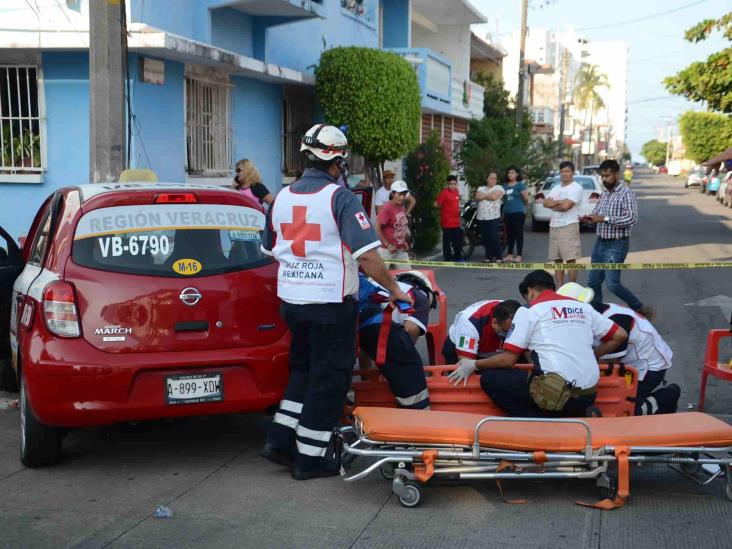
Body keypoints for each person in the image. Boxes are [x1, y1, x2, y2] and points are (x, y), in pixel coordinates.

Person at [260, 123, 412, 480]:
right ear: (337, 161)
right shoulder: (340, 198)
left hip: (292, 303)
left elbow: (269, 250)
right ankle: (309, 458)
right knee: (329, 378)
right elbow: (368, 258)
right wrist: (395, 289)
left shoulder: (280, 198)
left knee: (303, 370)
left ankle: (280, 440)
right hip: (330, 304)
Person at [448, 270, 628, 418]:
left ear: (531, 291)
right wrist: (593, 355)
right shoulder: (583, 308)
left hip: (556, 395)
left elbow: (508, 360)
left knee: (492, 378)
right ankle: (581, 411)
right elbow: (620, 335)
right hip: (589, 395)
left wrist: (474, 364)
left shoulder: (529, 312)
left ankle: (536, 420)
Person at [557, 283, 680, 415]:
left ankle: (666, 396)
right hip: (627, 365)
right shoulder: (594, 314)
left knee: (623, 411)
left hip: (648, 368)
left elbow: (610, 361)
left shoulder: (616, 319)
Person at [581, 159, 655, 321]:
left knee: (613, 284)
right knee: (593, 283)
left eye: (607, 176)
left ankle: (641, 309)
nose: (604, 179)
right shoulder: (605, 194)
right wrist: (589, 219)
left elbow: (631, 218)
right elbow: (598, 214)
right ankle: (597, 317)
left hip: (617, 244)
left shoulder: (626, 193)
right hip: (600, 243)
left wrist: (605, 218)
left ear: (616, 174)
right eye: (602, 176)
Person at [357, 272, 431, 410]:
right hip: (371, 313)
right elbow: (409, 333)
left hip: (345, 307)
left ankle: (367, 385)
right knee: (403, 360)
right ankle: (417, 413)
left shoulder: (376, 283)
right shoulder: (419, 299)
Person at [442, 298, 520, 364]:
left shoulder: (525, 318)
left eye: (514, 331)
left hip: (498, 353)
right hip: (461, 349)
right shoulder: (469, 324)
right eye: (506, 331)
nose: (510, 336)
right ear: (494, 323)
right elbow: (465, 363)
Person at [542, 161, 583, 286]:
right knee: (557, 260)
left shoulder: (577, 187)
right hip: (554, 226)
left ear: (572, 172)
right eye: (562, 172)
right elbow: (545, 203)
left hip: (569, 225)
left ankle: (572, 289)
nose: (564, 174)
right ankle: (559, 289)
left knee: (570, 259)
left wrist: (554, 204)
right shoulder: (556, 188)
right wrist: (559, 203)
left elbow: (566, 206)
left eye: (567, 171)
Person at [376, 180, 411, 268]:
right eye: (399, 194)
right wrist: (388, 245)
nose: (402, 197)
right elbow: (377, 227)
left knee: (407, 275)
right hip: (386, 251)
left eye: (404, 194)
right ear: (392, 194)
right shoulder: (387, 208)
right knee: (380, 278)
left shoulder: (402, 207)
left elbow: (400, 226)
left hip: (400, 249)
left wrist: (404, 241)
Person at [475, 171, 505, 263]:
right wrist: (488, 195)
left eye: (495, 178)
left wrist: (484, 196)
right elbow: (477, 197)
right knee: (485, 237)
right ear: (487, 179)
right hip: (482, 217)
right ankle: (488, 257)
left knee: (493, 236)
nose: (493, 180)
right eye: (491, 178)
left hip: (493, 217)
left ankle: (499, 257)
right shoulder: (481, 188)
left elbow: (494, 197)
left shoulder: (499, 188)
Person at [501, 166, 529, 262]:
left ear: (517, 174)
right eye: (509, 173)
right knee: (509, 234)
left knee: (518, 234)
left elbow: (526, 199)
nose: (510, 174)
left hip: (518, 213)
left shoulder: (520, 185)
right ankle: (509, 254)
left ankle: (519, 255)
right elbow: (503, 198)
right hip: (508, 213)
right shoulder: (504, 186)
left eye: (513, 173)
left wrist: (522, 207)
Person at [435, 175, 463, 262]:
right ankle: (448, 259)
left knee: (457, 242)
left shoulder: (456, 192)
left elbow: (457, 203)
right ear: (448, 184)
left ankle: (457, 257)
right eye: (450, 184)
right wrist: (444, 210)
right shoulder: (444, 193)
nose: (452, 186)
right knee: (447, 242)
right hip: (446, 222)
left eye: (454, 184)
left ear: (456, 184)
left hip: (456, 222)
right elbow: (436, 204)